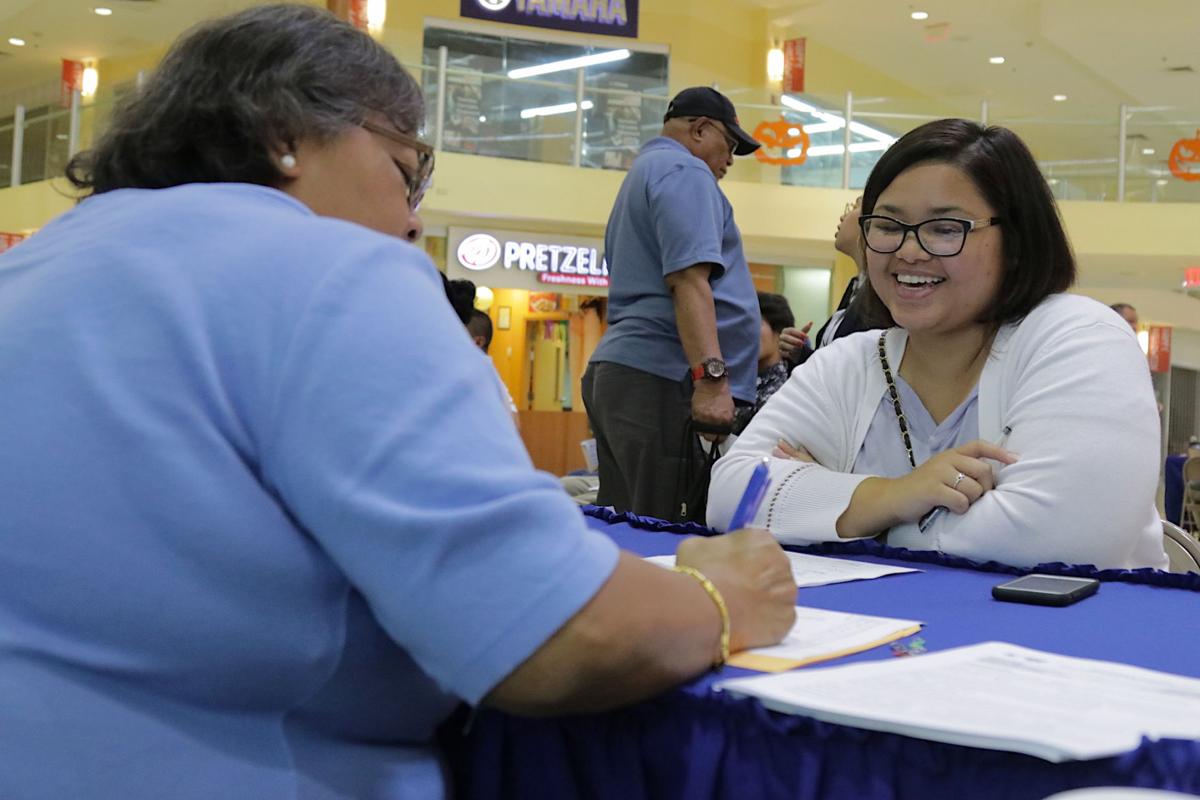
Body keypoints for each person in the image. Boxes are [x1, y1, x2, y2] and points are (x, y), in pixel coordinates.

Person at [0, 8, 797, 799]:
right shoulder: (330, 268)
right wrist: (724, 598)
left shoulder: (36, 269)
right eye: (405, 168)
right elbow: (553, 633)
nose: (413, 219)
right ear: (286, 134)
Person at [708, 118, 1168, 571]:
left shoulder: (1078, 339)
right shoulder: (850, 362)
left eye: (945, 229)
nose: (909, 250)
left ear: (1017, 242)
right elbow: (733, 497)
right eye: (888, 225)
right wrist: (894, 494)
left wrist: (845, 505)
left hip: (1071, 638)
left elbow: (1063, 540)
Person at [582, 86, 763, 523]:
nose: (730, 160)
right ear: (701, 129)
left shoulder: (647, 171)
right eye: (730, 145)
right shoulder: (685, 171)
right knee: (665, 529)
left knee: (634, 522)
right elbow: (688, 280)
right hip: (663, 377)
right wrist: (712, 380)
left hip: (634, 374)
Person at [778, 196, 873, 362]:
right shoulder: (855, 287)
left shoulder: (881, 294)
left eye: (853, 208)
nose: (842, 217)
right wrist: (799, 354)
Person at [734, 292, 795, 433]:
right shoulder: (739, 377)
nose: (746, 332)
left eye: (755, 324)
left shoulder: (784, 388)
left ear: (780, 331)